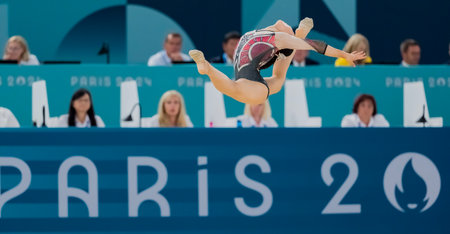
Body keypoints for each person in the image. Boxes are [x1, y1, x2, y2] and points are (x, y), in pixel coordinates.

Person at [190, 18, 366, 105]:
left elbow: (280, 24)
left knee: (238, 87)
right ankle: (208, 68)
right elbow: (318, 46)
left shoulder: (255, 33)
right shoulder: (281, 39)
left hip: (246, 69)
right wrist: (346, 55)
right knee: (274, 80)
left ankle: (208, 68)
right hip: (252, 83)